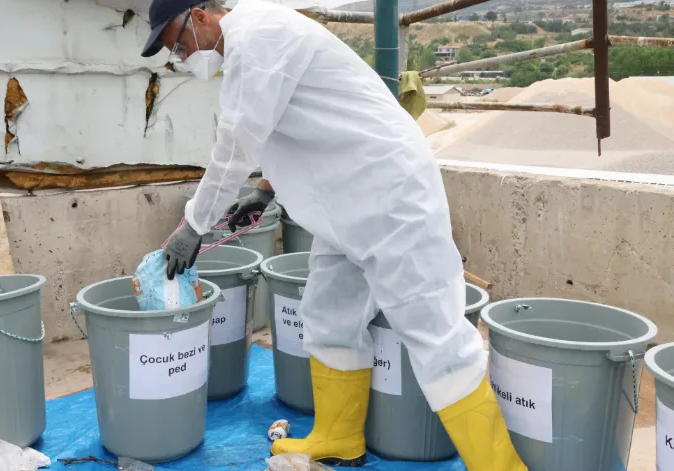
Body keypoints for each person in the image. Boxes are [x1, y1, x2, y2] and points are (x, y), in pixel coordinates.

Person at [144, 0, 526, 469]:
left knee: (436, 336)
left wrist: (193, 226)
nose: (185, 56)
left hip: (388, 198)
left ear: (199, 14)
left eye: (180, 45)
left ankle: (500, 466)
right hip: (346, 205)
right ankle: (339, 437)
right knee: (328, 315)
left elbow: (236, 143)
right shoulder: (257, 40)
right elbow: (302, 124)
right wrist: (265, 193)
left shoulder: (259, 37)